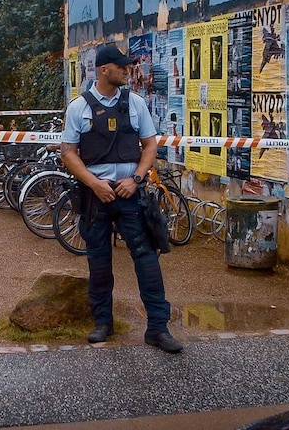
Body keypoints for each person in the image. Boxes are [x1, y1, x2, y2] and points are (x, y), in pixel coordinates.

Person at [60, 45, 183, 353]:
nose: (128, 70)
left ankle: (157, 327)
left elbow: (150, 146)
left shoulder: (136, 103)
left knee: (146, 259)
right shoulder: (79, 108)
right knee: (99, 262)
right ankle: (103, 323)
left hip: (130, 193)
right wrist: (94, 183)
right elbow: (68, 154)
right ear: (105, 70)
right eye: (122, 67)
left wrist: (136, 179)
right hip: (95, 195)